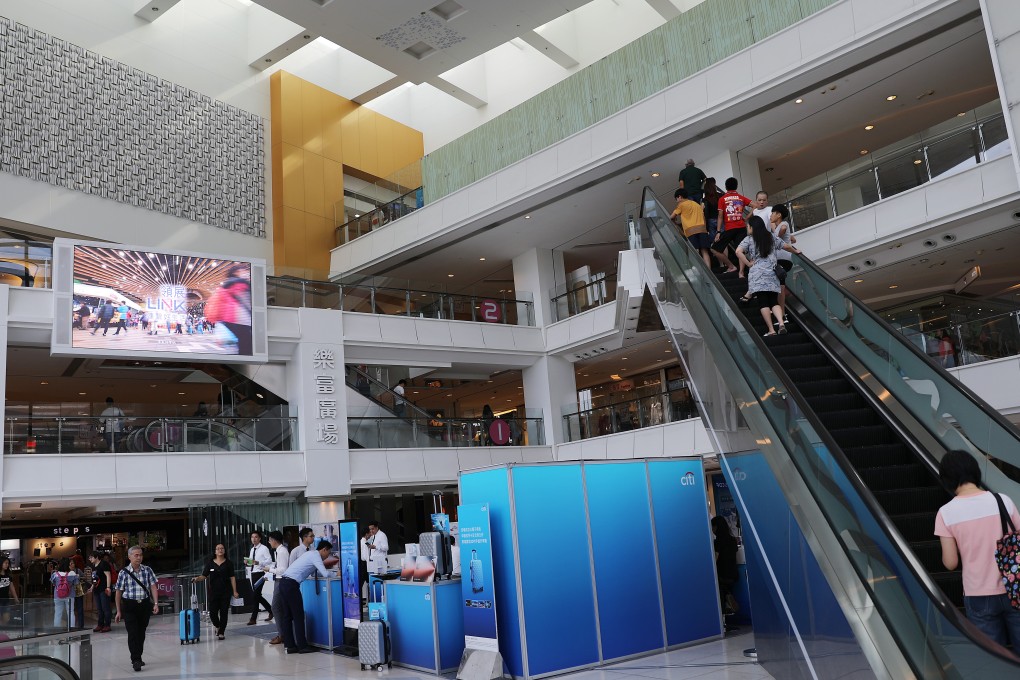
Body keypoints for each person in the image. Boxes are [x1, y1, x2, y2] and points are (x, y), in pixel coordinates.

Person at [935, 450, 1020, 647]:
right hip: (1014, 587)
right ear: (974, 472)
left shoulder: (945, 513)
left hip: (979, 595)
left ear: (947, 478)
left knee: (993, 656)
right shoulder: (1002, 501)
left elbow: (950, 563)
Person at [735, 216, 800, 336]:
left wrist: (749, 263)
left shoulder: (748, 239)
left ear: (752, 227)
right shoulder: (770, 236)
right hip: (771, 272)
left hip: (757, 274)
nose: (747, 228)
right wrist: (796, 251)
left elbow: (738, 251)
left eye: (748, 226)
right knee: (773, 301)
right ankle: (781, 323)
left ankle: (771, 330)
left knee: (763, 302)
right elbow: (785, 246)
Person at [277, 540, 334, 654]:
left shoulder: (310, 554)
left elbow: (312, 572)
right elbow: (325, 574)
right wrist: (336, 574)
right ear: (324, 549)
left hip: (283, 583)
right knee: (298, 615)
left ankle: (290, 646)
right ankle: (302, 646)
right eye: (328, 553)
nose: (328, 556)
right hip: (291, 585)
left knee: (287, 616)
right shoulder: (316, 555)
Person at [114, 546, 159, 672]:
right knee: (133, 633)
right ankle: (135, 660)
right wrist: (118, 611)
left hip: (144, 605)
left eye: (140, 555)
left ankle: (138, 656)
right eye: (136, 555)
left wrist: (155, 603)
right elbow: (118, 592)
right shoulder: (123, 572)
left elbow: (153, 587)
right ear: (129, 557)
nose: (139, 557)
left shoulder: (147, 570)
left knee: (141, 633)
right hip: (129, 606)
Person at [193, 543, 239, 641]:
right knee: (213, 613)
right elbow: (204, 575)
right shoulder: (210, 563)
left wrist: (235, 591)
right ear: (215, 551)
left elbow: (232, 577)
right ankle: (217, 626)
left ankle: (221, 632)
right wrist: (197, 579)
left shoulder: (228, 563)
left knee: (224, 612)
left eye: (222, 548)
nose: (220, 550)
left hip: (226, 592)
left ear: (224, 551)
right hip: (214, 592)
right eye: (218, 549)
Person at [205, 264, 253, 355]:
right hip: (240, 319)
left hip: (230, 319)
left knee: (243, 344)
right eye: (244, 270)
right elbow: (247, 302)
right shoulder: (240, 283)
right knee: (247, 346)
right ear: (236, 272)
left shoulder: (228, 283)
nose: (246, 272)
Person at [711, 178, 753, 276]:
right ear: (736, 186)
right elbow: (755, 205)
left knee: (714, 249)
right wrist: (746, 217)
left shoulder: (722, 199)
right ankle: (741, 273)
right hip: (741, 227)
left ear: (725, 187)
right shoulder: (741, 197)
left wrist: (718, 232)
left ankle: (731, 266)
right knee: (740, 250)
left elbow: (720, 216)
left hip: (729, 228)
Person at [671, 188, 712, 268]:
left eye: (676, 199)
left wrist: (675, 223)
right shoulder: (696, 204)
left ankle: (699, 272)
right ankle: (710, 272)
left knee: (694, 252)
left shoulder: (681, 205)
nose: (677, 201)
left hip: (691, 231)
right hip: (702, 230)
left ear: (679, 197)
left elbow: (671, 217)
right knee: (704, 251)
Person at [711, 516, 739, 631]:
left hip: (722, 576)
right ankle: (727, 612)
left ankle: (722, 622)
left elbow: (715, 559)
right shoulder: (732, 540)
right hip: (733, 574)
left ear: (716, 527)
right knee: (726, 593)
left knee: (720, 595)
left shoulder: (718, 542)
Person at [264, 531, 291, 645]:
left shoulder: (282, 552)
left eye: (270, 540)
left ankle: (282, 635)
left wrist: (269, 570)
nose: (269, 542)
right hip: (278, 580)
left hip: (281, 580)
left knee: (275, 607)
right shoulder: (279, 551)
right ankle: (282, 633)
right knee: (278, 608)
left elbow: (283, 570)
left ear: (274, 540)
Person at [769, 204, 795, 321]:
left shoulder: (783, 224)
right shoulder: (777, 227)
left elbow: (784, 229)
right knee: (780, 286)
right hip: (783, 260)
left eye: (773, 213)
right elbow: (791, 238)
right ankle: (782, 314)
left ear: (778, 215)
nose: (771, 215)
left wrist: (778, 238)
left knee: (778, 286)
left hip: (782, 260)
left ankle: (780, 312)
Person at [245, 531, 273, 626]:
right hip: (253, 573)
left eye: (256, 537)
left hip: (260, 573)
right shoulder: (252, 549)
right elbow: (251, 562)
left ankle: (253, 618)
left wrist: (259, 563)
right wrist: (247, 562)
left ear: (260, 538)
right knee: (257, 595)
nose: (254, 539)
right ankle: (271, 610)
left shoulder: (264, 548)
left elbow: (269, 560)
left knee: (255, 596)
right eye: (252, 537)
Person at [51, 557, 79, 630]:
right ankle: (71, 632)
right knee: (71, 612)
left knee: (57, 613)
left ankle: (56, 631)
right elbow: (76, 584)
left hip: (58, 596)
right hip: (70, 596)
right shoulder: (72, 573)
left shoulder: (55, 574)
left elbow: (53, 584)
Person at [89, 552, 112, 633]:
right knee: (99, 608)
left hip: (103, 588)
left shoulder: (103, 564)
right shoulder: (93, 566)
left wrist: (108, 587)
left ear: (96, 557)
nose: (90, 559)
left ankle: (107, 625)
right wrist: (92, 587)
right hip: (96, 589)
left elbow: (108, 576)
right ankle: (100, 624)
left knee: (105, 607)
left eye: (91, 557)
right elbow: (94, 578)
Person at [0, 556, 20, 624]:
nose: (7, 565)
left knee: (6, 618)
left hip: (6, 600)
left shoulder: (8, 575)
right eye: (5, 563)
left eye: (8, 563)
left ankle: (3, 632)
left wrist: (16, 598)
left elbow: (12, 587)